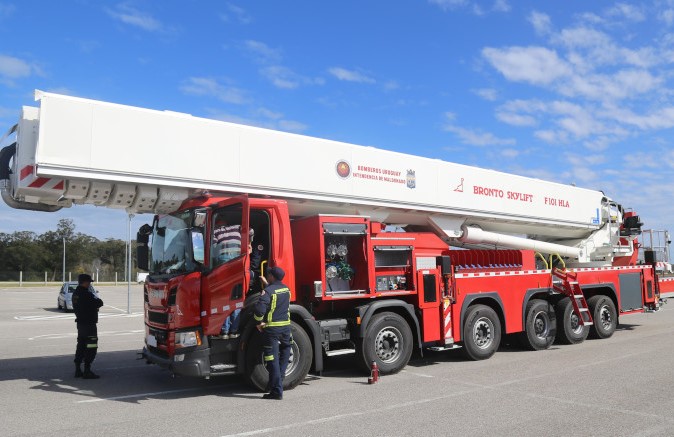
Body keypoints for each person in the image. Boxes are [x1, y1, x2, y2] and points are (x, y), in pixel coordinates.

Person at [253, 266, 292, 400]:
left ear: (272, 277)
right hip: (286, 328)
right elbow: (276, 292)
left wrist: (258, 323)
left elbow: (259, 310)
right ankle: (277, 382)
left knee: (272, 360)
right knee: (285, 353)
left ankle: (277, 391)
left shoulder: (268, 291)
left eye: (269, 274)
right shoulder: (286, 289)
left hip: (272, 330)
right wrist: (267, 284)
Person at [72, 273, 104, 379]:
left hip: (80, 325)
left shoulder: (75, 294)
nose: (90, 284)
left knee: (80, 345)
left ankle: (77, 369)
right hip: (89, 325)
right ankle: (87, 370)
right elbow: (99, 302)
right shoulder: (86, 294)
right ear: (85, 282)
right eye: (89, 282)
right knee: (91, 346)